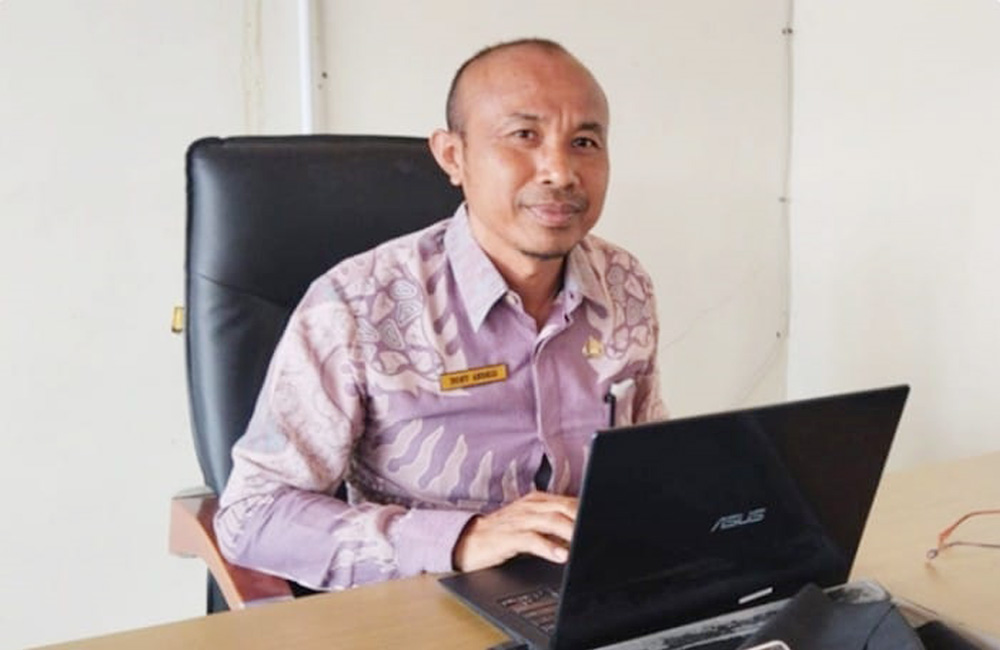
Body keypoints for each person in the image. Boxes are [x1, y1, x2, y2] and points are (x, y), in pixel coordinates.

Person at [215, 38, 666, 591]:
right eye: (524, 136)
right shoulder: (356, 304)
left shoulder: (624, 283)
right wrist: (463, 539)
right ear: (453, 156)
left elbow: (652, 464)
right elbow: (251, 514)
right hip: (424, 602)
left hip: (593, 593)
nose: (560, 171)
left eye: (584, 142)